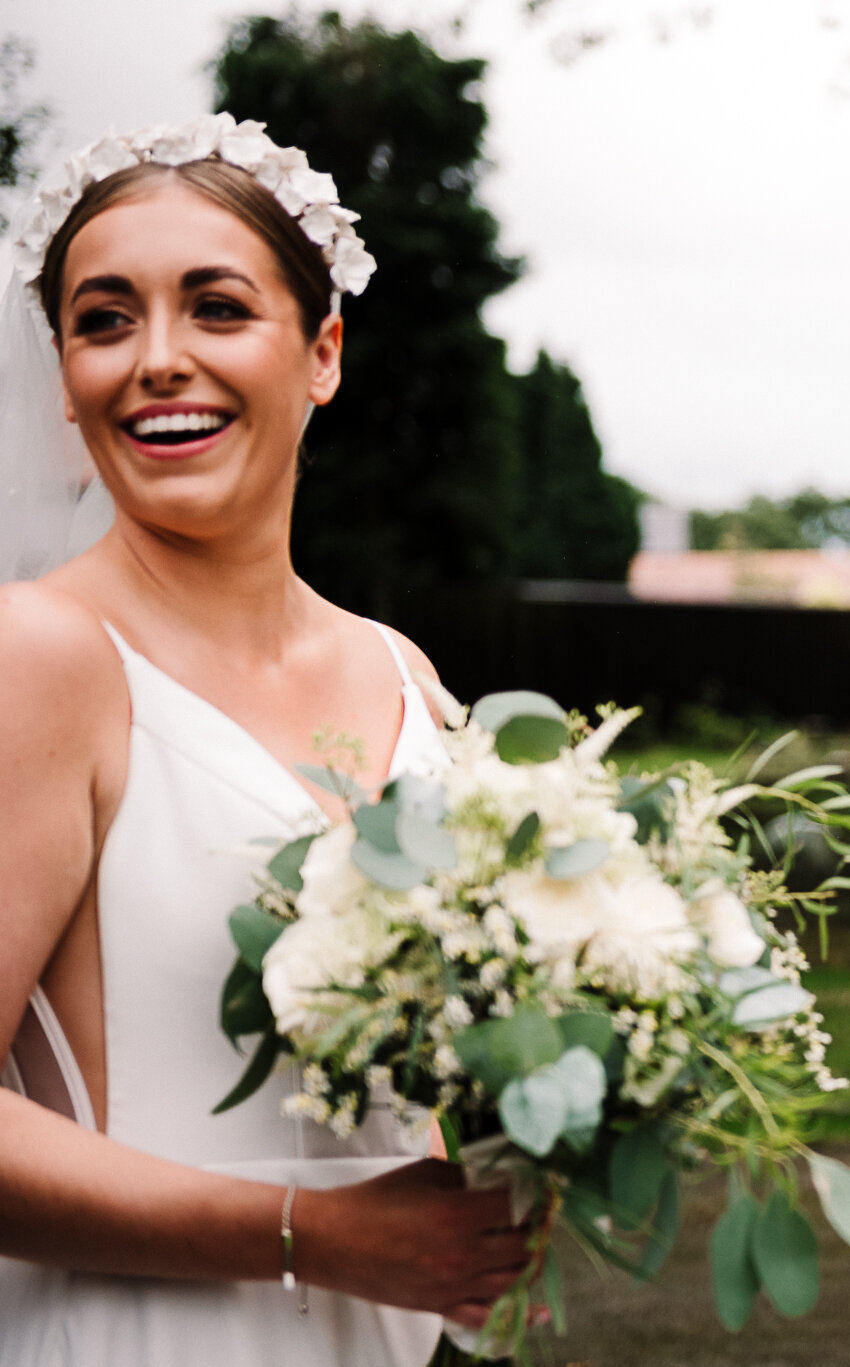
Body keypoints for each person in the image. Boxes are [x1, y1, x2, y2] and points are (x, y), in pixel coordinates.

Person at [0, 117, 531, 1365]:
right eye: (104, 319)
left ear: (323, 352)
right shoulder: (42, 657)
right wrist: (311, 1230)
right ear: (65, 381)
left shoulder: (400, 672)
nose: (157, 360)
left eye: (217, 308)